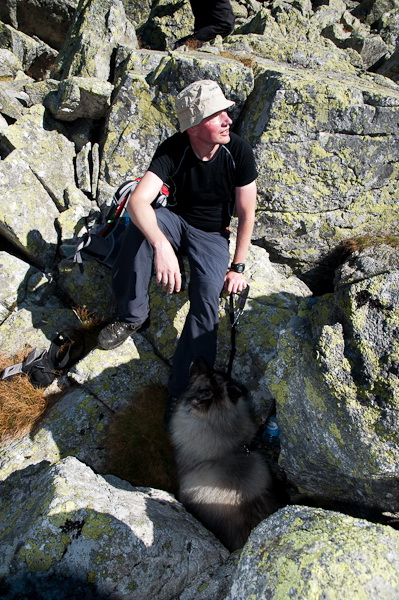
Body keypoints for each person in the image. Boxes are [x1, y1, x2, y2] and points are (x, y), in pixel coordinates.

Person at [97, 79, 257, 428]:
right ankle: (132, 315)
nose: (228, 120)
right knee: (138, 233)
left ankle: (183, 388)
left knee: (206, 298)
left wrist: (238, 266)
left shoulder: (238, 152)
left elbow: (247, 212)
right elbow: (138, 201)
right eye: (218, 115)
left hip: (213, 234)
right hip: (175, 219)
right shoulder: (174, 147)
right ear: (195, 126)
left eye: (226, 112)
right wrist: (161, 244)